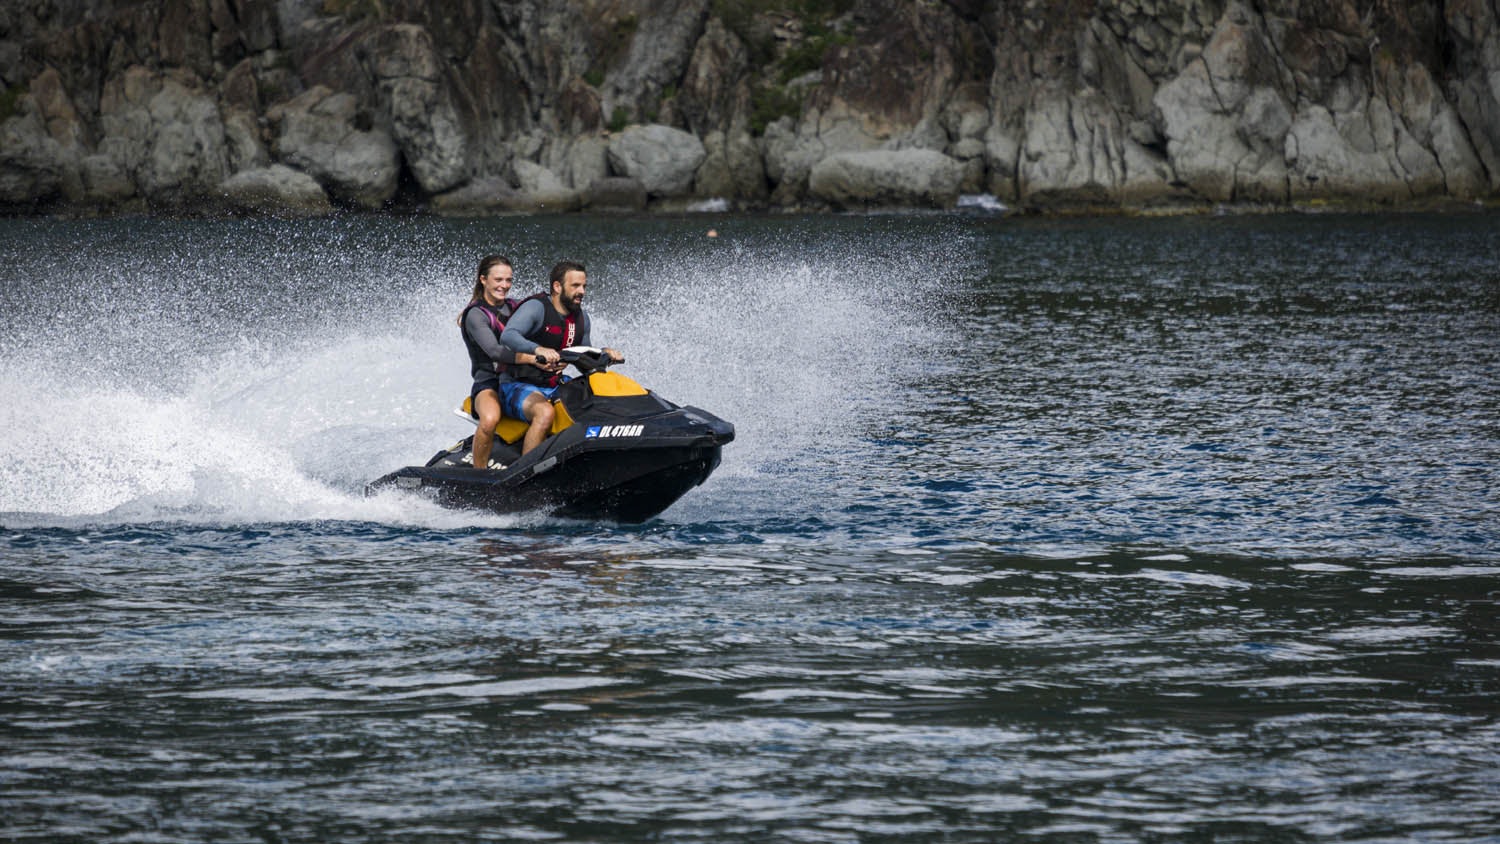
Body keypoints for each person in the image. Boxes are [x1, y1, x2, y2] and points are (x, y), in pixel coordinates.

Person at [499, 260, 623, 456]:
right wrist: (538, 349)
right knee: (545, 413)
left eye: (584, 286)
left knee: (596, 406)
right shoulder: (536, 308)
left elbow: (584, 356)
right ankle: (526, 475)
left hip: (554, 385)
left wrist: (605, 354)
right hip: (514, 385)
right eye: (575, 286)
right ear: (557, 286)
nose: (581, 291)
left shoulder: (581, 318)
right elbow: (508, 335)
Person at [459, 254, 548, 471]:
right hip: (489, 382)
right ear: (483, 279)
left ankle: (530, 468)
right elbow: (494, 351)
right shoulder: (475, 315)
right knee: (490, 420)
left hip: (521, 379)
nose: (504, 286)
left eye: (508, 280)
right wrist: (533, 358)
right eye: (498, 280)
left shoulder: (517, 307)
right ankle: (479, 476)